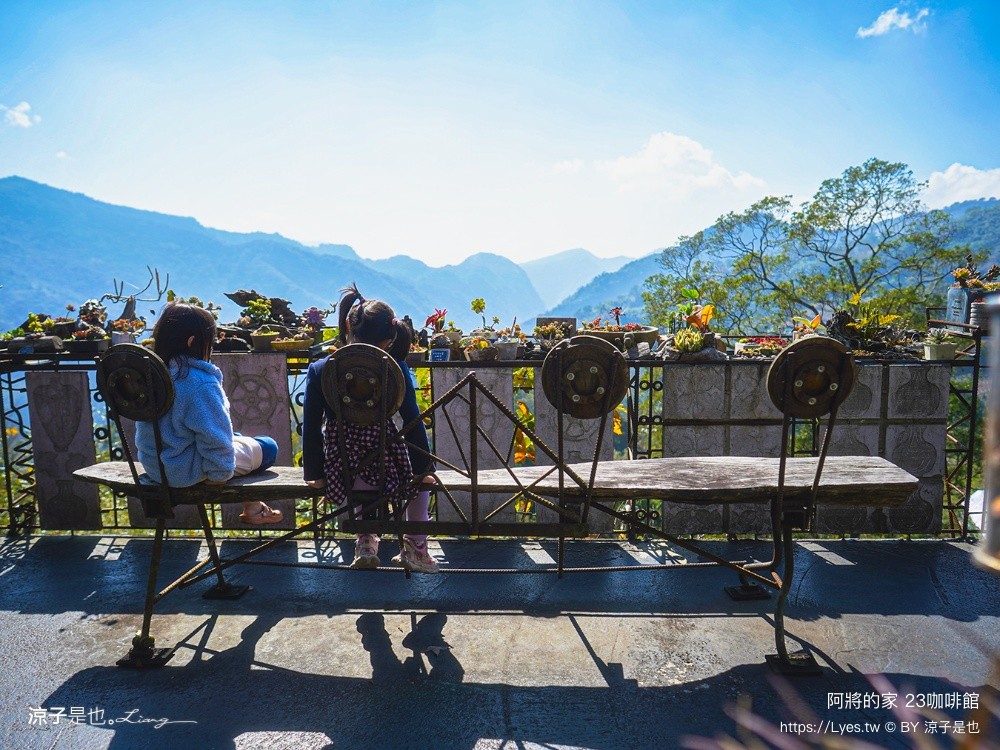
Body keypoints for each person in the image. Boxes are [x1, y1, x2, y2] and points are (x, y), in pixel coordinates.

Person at [302, 284, 439, 573]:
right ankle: (416, 548)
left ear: (348, 327)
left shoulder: (320, 369)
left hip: (343, 470)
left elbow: (312, 426)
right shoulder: (396, 369)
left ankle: (365, 541)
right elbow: (412, 420)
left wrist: (314, 474)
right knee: (419, 484)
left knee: (357, 472)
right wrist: (423, 470)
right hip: (387, 464)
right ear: (389, 340)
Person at [135, 302, 283, 525]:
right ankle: (254, 507)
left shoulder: (153, 375)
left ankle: (254, 506)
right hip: (188, 472)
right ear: (192, 342)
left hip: (157, 468)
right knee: (268, 447)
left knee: (239, 438)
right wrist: (219, 476)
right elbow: (215, 438)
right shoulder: (198, 382)